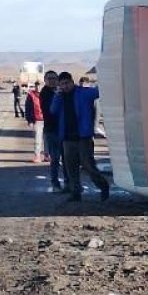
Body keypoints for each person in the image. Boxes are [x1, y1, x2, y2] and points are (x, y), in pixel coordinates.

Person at [48, 70, 111, 202]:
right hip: (67, 138)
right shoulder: (60, 97)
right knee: (71, 167)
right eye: (62, 84)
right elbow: (53, 111)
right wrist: (58, 96)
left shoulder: (84, 93)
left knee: (88, 165)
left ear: (72, 82)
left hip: (83, 137)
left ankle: (103, 186)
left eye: (66, 83)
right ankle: (75, 192)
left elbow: (100, 91)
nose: (65, 86)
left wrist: (109, 78)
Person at [40, 75, 64, 191]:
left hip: (63, 129)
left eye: (54, 78)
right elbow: (50, 111)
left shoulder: (60, 91)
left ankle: (69, 182)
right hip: (52, 130)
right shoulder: (45, 93)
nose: (52, 80)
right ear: (45, 81)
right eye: (49, 78)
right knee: (55, 158)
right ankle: (55, 183)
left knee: (66, 158)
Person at [23, 81, 45, 163]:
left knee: (48, 139)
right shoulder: (31, 95)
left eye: (40, 86)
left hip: (48, 120)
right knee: (38, 139)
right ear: (35, 87)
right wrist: (29, 120)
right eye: (37, 86)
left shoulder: (46, 94)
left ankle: (47, 155)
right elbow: (28, 108)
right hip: (37, 120)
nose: (38, 88)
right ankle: (37, 156)